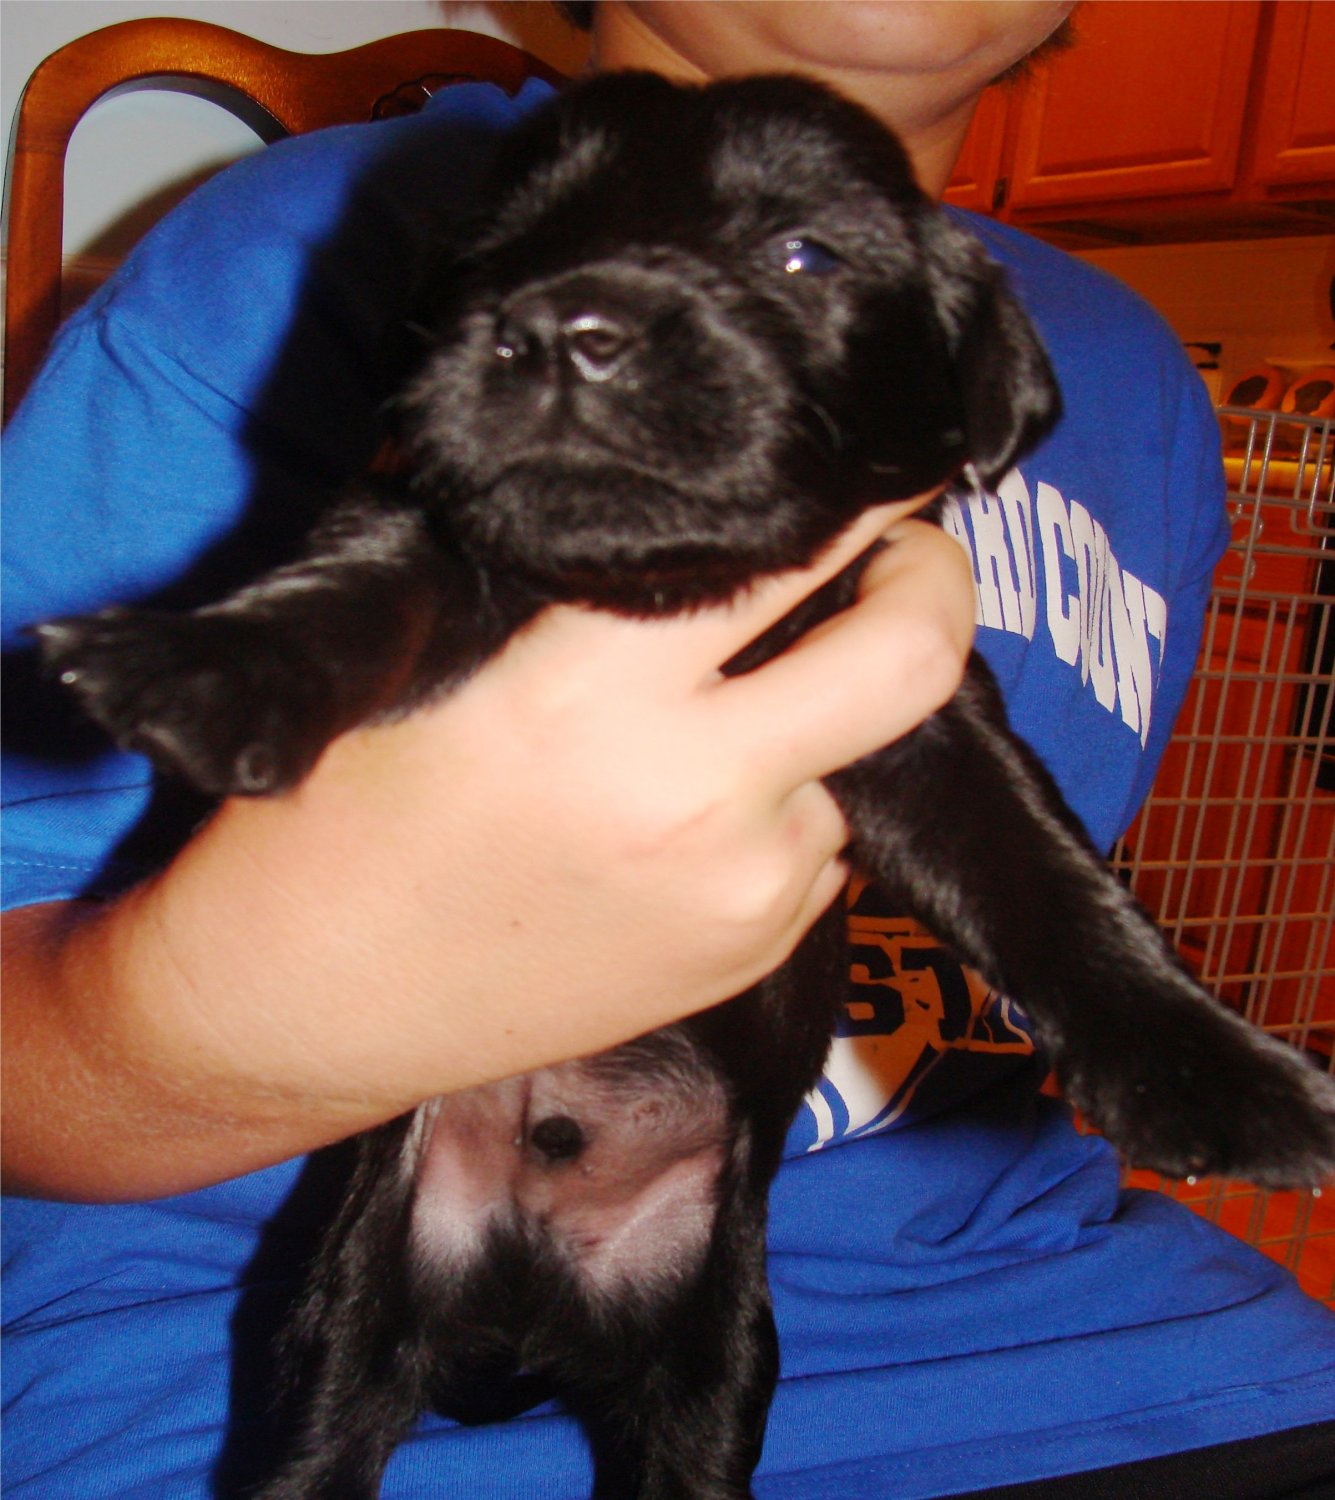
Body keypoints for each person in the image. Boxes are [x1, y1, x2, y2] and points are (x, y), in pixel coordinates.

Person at [2, 3, 1332, 1496]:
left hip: (1073, 1328)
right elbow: (397, 568)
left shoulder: (1138, 383)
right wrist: (216, 1003)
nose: (584, 317)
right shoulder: (298, 246)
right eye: (519, 263)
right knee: (340, 1380)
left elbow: (984, 820)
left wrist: (1146, 1031)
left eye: (804, 257)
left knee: (703, 1388)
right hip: (188, 1338)